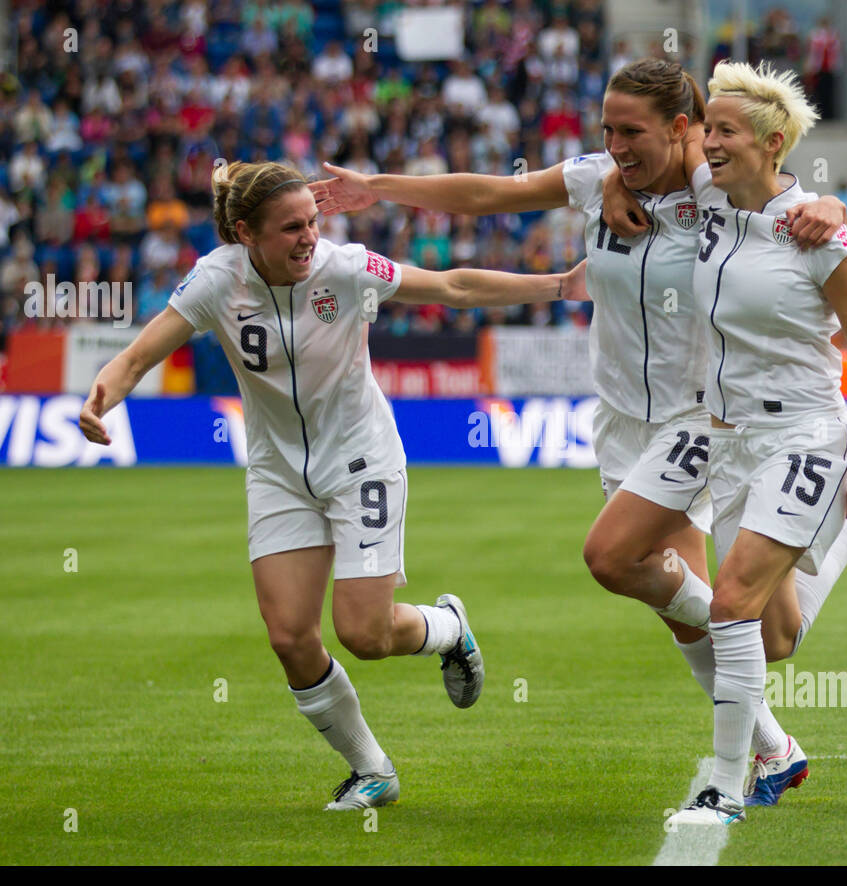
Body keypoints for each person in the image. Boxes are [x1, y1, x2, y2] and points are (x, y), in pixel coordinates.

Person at [310, 61, 847, 774]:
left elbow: (788, 197)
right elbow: (487, 194)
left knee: (618, 560)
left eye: (633, 131)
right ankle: (776, 745)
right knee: (716, 623)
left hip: (698, 416)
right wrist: (376, 187)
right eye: (608, 129)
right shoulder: (600, 177)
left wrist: (835, 207)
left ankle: (763, 712)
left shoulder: (711, 187)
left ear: (681, 129)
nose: (616, 144)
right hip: (621, 419)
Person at [79, 160, 588, 811]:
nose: (308, 238)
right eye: (291, 227)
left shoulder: (345, 269)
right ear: (245, 233)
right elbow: (136, 357)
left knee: (364, 635)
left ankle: (447, 627)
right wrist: (103, 399)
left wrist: (557, 285)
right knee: (290, 636)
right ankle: (371, 769)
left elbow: (453, 286)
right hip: (278, 474)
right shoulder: (215, 281)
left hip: (361, 463)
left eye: (313, 223)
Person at [665, 62, 847, 826]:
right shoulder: (708, 193)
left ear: (773, 143)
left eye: (724, 131)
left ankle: (725, 784)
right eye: (707, 127)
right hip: (731, 442)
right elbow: (650, 132)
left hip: (804, 432)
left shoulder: (819, 231)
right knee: (772, 638)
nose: (706, 142)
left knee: (731, 605)